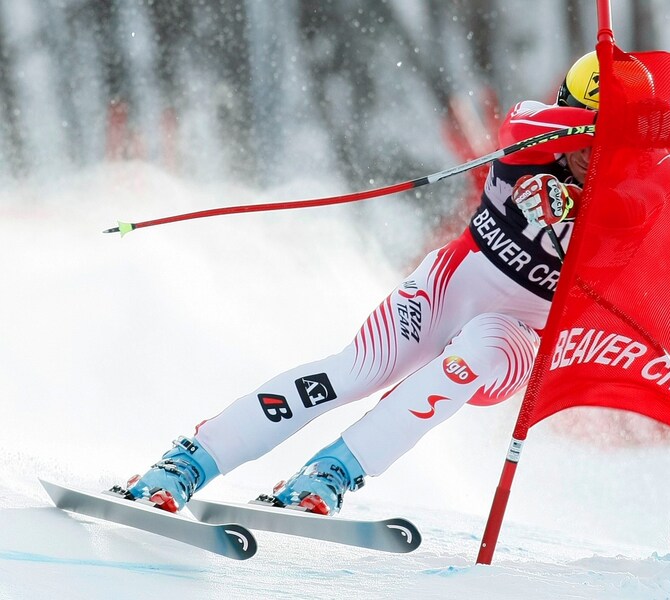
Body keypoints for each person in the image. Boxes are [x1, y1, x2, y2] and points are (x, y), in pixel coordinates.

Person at [121, 52, 601, 515]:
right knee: (356, 372)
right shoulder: (532, 129)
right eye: (583, 129)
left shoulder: (637, 190)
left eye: (605, 142)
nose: (589, 151)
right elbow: (519, 125)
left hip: (517, 337)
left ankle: (331, 471)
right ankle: (190, 460)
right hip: (445, 288)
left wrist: (578, 202)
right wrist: (593, 126)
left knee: (471, 354)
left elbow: (632, 213)